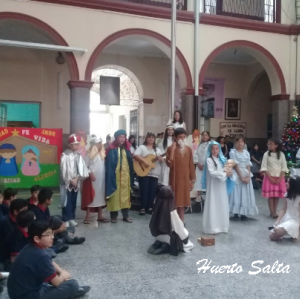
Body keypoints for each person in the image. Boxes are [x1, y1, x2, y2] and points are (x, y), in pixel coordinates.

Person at [7, 219, 91, 299]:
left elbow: (50, 262)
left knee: (49, 279)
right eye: (48, 234)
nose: (52, 237)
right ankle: (72, 291)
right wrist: (63, 275)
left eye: (52, 233)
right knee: (73, 284)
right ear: (36, 238)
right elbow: (56, 282)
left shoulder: (31, 247)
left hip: (18, 293)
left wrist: (61, 271)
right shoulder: (40, 255)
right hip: (30, 296)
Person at [148, 186, 194, 256]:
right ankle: (167, 245)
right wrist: (185, 238)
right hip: (168, 236)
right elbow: (178, 228)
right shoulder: (171, 211)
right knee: (187, 238)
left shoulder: (156, 207)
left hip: (156, 235)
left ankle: (159, 243)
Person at [201, 142, 233, 234]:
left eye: (217, 149)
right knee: (213, 204)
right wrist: (224, 173)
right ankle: (212, 227)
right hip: (213, 186)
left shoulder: (223, 159)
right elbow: (212, 172)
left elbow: (226, 169)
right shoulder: (209, 160)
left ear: (219, 149)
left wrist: (229, 172)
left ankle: (223, 226)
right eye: (213, 149)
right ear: (210, 150)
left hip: (222, 185)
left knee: (222, 203)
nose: (215, 151)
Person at [166, 128, 196, 222]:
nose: (182, 139)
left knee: (182, 203)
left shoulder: (188, 149)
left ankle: (181, 222)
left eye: (184, 137)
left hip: (185, 180)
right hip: (175, 179)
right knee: (174, 202)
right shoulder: (170, 148)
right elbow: (169, 164)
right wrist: (173, 150)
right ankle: (174, 223)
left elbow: (191, 165)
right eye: (180, 137)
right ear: (175, 138)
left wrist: (192, 181)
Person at [60, 134, 89, 228]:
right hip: (67, 183)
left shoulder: (78, 155)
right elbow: (63, 170)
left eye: (77, 144)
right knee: (66, 201)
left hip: (76, 182)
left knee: (73, 200)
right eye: (75, 144)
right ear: (69, 145)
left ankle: (72, 218)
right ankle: (65, 219)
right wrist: (70, 180)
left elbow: (82, 169)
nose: (77, 146)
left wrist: (76, 178)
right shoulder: (65, 155)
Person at [105, 129, 134, 223]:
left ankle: (125, 215)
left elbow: (130, 163)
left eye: (124, 137)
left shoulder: (127, 149)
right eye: (120, 137)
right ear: (116, 138)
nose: (122, 139)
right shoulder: (112, 149)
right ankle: (114, 216)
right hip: (115, 177)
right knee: (115, 196)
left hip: (125, 177)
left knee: (125, 196)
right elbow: (109, 165)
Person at [229, 137, 258, 221]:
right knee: (237, 193)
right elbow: (235, 165)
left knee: (245, 193)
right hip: (237, 174)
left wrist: (248, 176)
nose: (240, 143)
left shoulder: (246, 153)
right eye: (238, 142)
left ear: (244, 143)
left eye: (241, 142)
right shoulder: (233, 152)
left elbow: (248, 165)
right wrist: (241, 176)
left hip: (245, 173)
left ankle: (244, 212)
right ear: (235, 143)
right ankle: (235, 212)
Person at [134, 132, 163, 215]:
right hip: (143, 172)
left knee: (152, 191)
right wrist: (144, 161)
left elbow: (162, 159)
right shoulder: (142, 147)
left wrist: (161, 159)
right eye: (149, 137)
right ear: (146, 139)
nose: (151, 139)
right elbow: (135, 155)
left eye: (152, 138)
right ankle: (142, 207)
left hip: (154, 172)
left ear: (154, 139)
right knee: (144, 190)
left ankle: (150, 207)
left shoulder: (157, 150)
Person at [81, 136, 108, 224]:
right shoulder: (88, 155)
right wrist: (90, 173)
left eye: (101, 143)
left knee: (100, 197)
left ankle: (100, 216)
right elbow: (84, 166)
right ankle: (87, 217)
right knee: (91, 196)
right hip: (92, 180)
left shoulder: (102, 154)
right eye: (98, 143)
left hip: (101, 179)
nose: (101, 145)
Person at [260, 138, 288, 218]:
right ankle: (272, 212)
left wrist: (280, 178)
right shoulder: (266, 154)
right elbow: (264, 167)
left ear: (276, 145)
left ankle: (275, 211)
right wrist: (270, 178)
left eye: (271, 144)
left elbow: (284, 167)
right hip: (269, 177)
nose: (269, 145)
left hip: (279, 177)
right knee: (271, 196)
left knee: (276, 196)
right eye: (268, 144)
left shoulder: (281, 154)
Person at [0, 199, 28, 271]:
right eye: (24, 211)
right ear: (15, 212)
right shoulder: (4, 222)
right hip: (6, 256)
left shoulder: (23, 221)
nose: (26, 213)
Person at [270, 176, 300, 241]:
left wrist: (298, 232)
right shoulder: (287, 195)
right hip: (287, 218)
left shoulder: (299, 199)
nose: (286, 183)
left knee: (277, 231)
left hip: (295, 221)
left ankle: (293, 231)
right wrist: (276, 223)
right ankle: (287, 230)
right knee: (272, 236)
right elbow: (283, 210)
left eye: (288, 182)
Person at [194, 131, 211, 202]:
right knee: (198, 180)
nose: (204, 137)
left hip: (207, 166)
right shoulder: (199, 144)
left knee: (207, 180)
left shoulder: (210, 144)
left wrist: (205, 164)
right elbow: (195, 154)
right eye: (203, 135)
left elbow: (210, 154)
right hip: (199, 166)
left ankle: (208, 196)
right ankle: (198, 195)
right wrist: (197, 163)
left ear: (208, 136)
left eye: (206, 135)